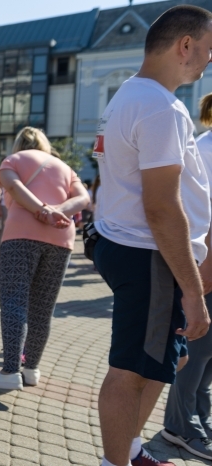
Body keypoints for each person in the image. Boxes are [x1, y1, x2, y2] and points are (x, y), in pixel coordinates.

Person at [93, 5, 212, 466]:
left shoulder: (129, 94)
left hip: (133, 247)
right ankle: (115, 460)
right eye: (207, 50)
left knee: (169, 358)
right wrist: (192, 291)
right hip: (148, 254)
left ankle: (131, 448)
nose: (208, 60)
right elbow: (162, 207)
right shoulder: (161, 107)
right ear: (185, 46)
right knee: (131, 372)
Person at [0, 127, 89, 390]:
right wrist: (58, 211)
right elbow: (83, 198)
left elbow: (14, 188)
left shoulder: (12, 161)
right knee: (42, 309)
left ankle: (9, 372)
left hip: (21, 236)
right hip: (61, 239)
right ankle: (31, 369)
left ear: (19, 143)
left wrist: (43, 210)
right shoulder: (65, 167)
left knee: (14, 304)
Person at [160, 92, 212, 461]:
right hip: (208, 265)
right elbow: (202, 212)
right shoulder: (207, 148)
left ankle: (199, 417)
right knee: (198, 350)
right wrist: (204, 272)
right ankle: (180, 425)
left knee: (209, 356)